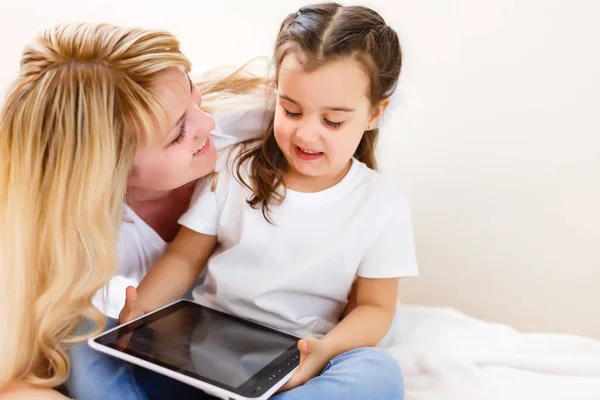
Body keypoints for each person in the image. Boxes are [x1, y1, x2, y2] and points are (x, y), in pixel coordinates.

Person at [122, 3, 418, 399]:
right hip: (206, 348)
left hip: (296, 364)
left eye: (332, 121)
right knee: (83, 343)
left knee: (378, 372)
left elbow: (376, 308)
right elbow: (184, 258)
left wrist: (324, 351)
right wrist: (139, 311)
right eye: (291, 110)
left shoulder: (382, 206)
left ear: (375, 113)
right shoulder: (233, 168)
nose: (306, 135)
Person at [0, 22, 268, 399]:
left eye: (191, 89)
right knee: (77, 337)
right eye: (177, 134)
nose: (207, 122)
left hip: (269, 339)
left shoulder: (255, 124)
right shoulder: (73, 243)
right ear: (108, 173)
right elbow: (16, 382)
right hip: (190, 353)